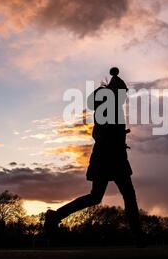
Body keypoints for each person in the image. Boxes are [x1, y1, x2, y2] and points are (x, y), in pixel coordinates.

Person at [44, 68, 145, 246]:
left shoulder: (109, 107)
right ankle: (138, 236)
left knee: (98, 196)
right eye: (122, 93)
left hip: (107, 157)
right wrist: (116, 140)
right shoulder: (109, 107)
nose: (124, 96)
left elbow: (102, 132)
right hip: (110, 158)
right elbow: (101, 133)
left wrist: (118, 139)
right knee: (125, 195)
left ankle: (55, 216)